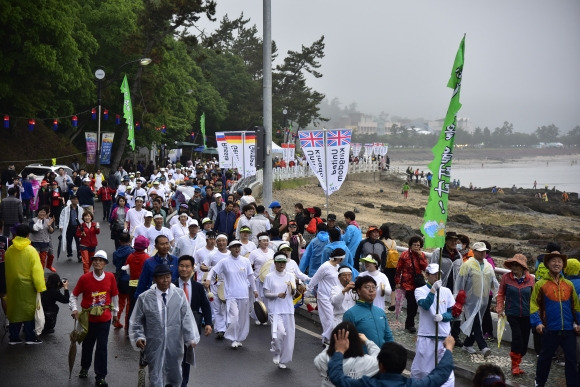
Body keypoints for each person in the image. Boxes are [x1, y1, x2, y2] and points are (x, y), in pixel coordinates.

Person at [130, 264, 200, 387]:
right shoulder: (145, 298)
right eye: (161, 277)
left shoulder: (179, 294)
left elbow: (187, 317)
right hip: (154, 343)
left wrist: (190, 338)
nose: (165, 280)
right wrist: (139, 337)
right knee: (156, 375)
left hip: (174, 343)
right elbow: (137, 321)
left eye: (168, 277)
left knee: (175, 374)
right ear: (155, 279)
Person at [328, 329, 455, 387]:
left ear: (381, 366)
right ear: (404, 366)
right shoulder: (414, 385)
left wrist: (339, 351)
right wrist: (448, 349)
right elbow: (441, 374)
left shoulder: (366, 384)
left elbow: (337, 377)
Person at [70, 250, 119, 387]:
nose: (97, 262)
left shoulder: (110, 277)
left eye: (100, 260)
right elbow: (73, 295)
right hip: (88, 319)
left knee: (102, 348)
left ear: (105, 263)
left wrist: (115, 314)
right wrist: (74, 309)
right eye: (95, 260)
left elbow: (115, 296)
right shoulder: (85, 278)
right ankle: (85, 367)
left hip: (104, 319)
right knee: (87, 345)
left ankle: (100, 376)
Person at [531, 251, 580, 387]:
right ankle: (539, 382)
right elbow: (534, 305)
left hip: (568, 330)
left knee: (571, 360)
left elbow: (576, 306)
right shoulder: (540, 284)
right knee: (545, 358)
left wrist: (578, 323)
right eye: (553, 261)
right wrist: (538, 323)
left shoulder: (569, 285)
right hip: (549, 329)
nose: (556, 263)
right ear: (547, 264)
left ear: (563, 265)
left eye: (559, 261)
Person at [204, 240, 258, 348]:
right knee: (234, 317)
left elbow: (251, 277)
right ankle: (232, 338)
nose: (237, 249)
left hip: (244, 294)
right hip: (231, 294)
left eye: (238, 247)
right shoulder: (225, 261)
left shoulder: (245, 261)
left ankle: (239, 338)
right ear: (230, 249)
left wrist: (255, 290)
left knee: (242, 319)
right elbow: (212, 271)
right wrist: (208, 280)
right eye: (234, 247)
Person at [411, 263, 455, 386]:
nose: (437, 277)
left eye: (438, 274)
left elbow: (452, 313)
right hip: (426, 336)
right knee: (422, 371)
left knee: (446, 373)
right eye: (434, 274)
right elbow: (424, 305)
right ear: (427, 275)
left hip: (443, 337)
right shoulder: (419, 290)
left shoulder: (446, 291)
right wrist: (433, 290)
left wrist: (443, 317)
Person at [174, 255, 212, 387]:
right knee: (173, 356)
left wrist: (208, 323)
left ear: (192, 268)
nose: (184, 269)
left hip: (191, 326)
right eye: (181, 266)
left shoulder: (197, 287)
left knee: (186, 356)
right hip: (173, 326)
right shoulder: (171, 285)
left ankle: (183, 383)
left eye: (187, 266)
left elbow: (205, 305)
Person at [455, 242, 498, 358]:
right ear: (474, 252)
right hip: (470, 300)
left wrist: (497, 295)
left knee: (476, 322)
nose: (483, 253)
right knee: (476, 322)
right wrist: (458, 298)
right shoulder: (467, 265)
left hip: (484, 300)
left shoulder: (488, 265)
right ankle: (483, 346)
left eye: (484, 251)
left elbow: (494, 281)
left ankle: (467, 344)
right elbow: (460, 282)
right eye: (480, 251)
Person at [5, 224, 47, 345]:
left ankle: (13, 337)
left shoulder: (10, 250)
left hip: (13, 286)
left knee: (15, 310)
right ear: (28, 235)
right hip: (28, 287)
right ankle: (30, 337)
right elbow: (37, 270)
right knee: (29, 311)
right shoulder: (31, 250)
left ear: (15, 234)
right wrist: (40, 286)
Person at [495, 253, 533, 376]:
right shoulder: (506, 277)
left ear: (523, 267)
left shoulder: (531, 279)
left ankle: (518, 360)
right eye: (513, 264)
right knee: (517, 338)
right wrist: (500, 309)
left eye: (517, 265)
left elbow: (535, 299)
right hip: (512, 313)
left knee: (524, 341)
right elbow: (501, 294)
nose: (514, 267)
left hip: (527, 314)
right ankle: (514, 366)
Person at [314, 322, 380, 387]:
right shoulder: (364, 361)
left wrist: (338, 348)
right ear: (356, 342)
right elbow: (380, 358)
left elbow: (323, 355)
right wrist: (367, 341)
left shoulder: (322, 359)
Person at [263, 252, 297, 369]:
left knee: (288, 337)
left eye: (283, 262)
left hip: (288, 309)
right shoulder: (269, 277)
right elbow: (266, 294)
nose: (282, 264)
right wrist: (277, 295)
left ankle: (284, 360)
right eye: (279, 262)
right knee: (279, 334)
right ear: (275, 263)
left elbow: (294, 293)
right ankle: (276, 351)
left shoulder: (290, 276)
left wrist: (292, 289)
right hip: (275, 310)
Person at [429, 231, 463, 345]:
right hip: (441, 286)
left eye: (456, 240)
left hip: (454, 288)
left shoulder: (459, 256)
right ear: (446, 240)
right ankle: (438, 333)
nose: (454, 242)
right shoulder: (438, 253)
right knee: (440, 310)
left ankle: (454, 336)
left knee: (455, 310)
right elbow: (431, 268)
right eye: (451, 240)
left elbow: (461, 272)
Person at [343, 275, 394, 348]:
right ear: (359, 291)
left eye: (374, 287)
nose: (371, 290)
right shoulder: (350, 314)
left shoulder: (380, 312)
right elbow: (346, 342)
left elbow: (388, 336)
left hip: (382, 357)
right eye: (367, 287)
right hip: (362, 358)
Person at [308, 248, 345, 345]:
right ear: (339, 258)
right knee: (328, 318)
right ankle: (327, 339)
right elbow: (314, 280)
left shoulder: (337, 267)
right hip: (323, 296)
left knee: (334, 318)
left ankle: (328, 338)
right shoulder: (324, 267)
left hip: (334, 296)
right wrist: (307, 293)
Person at [395, 236, 428, 334]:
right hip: (407, 283)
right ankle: (410, 324)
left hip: (418, 283)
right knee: (411, 304)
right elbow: (398, 269)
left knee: (415, 304)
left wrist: (420, 257)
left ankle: (409, 323)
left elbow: (425, 268)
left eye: (418, 245)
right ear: (410, 245)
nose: (416, 247)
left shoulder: (422, 255)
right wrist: (397, 282)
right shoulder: (404, 255)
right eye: (414, 244)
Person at [201, 233, 230, 336]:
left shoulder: (231, 254)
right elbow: (202, 266)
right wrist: (211, 269)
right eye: (219, 241)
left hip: (228, 284)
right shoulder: (212, 254)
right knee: (216, 307)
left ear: (227, 242)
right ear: (216, 243)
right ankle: (220, 330)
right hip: (215, 284)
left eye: (223, 241)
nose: (221, 243)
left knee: (227, 307)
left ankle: (228, 327)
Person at [125, 235, 150, 321]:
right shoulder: (147, 258)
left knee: (132, 306)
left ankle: (129, 328)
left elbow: (127, 270)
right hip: (143, 285)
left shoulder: (130, 256)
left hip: (132, 283)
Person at [112, 232, 134, 329]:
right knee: (130, 302)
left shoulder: (115, 253)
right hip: (131, 279)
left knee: (120, 302)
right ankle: (127, 323)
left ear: (120, 241)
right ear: (129, 240)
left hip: (120, 279)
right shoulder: (132, 251)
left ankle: (116, 320)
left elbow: (115, 264)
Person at [29, 205, 56, 271]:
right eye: (41, 212)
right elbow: (31, 230)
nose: (42, 213)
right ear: (38, 212)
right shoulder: (33, 220)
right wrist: (37, 225)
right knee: (36, 260)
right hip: (35, 243)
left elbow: (51, 231)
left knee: (43, 260)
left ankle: (41, 274)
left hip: (45, 243)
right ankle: (35, 273)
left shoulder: (48, 221)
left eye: (44, 212)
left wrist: (49, 226)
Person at [379, 224, 398, 311]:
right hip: (393, 265)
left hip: (384, 265)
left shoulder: (380, 242)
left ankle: (381, 300)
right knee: (392, 284)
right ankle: (393, 303)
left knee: (382, 283)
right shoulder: (393, 242)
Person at [59, 194, 83, 261]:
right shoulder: (66, 209)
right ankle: (69, 253)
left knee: (79, 242)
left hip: (77, 227)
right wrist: (61, 226)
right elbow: (62, 217)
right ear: (71, 200)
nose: (76, 200)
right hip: (69, 227)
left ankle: (79, 255)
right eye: (74, 199)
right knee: (69, 241)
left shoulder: (80, 209)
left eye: (77, 199)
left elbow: (82, 218)